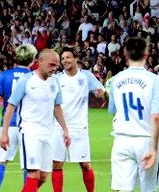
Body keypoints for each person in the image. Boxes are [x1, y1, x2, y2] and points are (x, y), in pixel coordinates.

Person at [0, 49, 70, 192]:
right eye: (52, 65)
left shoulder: (55, 81)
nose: (55, 68)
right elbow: (11, 106)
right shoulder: (26, 80)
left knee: (43, 176)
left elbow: (57, 107)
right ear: (40, 61)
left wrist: (65, 129)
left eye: (57, 66)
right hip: (29, 132)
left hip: (48, 133)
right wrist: (4, 133)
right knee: (33, 173)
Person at [108, 37, 159, 191]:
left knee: (123, 189)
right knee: (148, 189)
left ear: (125, 54)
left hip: (121, 139)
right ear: (147, 54)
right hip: (145, 141)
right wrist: (154, 150)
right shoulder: (154, 80)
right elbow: (155, 117)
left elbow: (114, 112)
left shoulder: (115, 80)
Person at [51, 46, 105, 192]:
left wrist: (100, 93)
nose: (65, 60)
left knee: (85, 164)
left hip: (79, 127)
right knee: (57, 164)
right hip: (58, 127)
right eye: (62, 58)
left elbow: (100, 92)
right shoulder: (57, 79)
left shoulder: (86, 76)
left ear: (76, 58)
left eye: (68, 57)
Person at [0, 44, 38, 192]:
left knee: (1, 161)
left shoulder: (5, 75)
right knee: (29, 165)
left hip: (8, 125)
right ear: (32, 60)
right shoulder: (34, 77)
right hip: (29, 126)